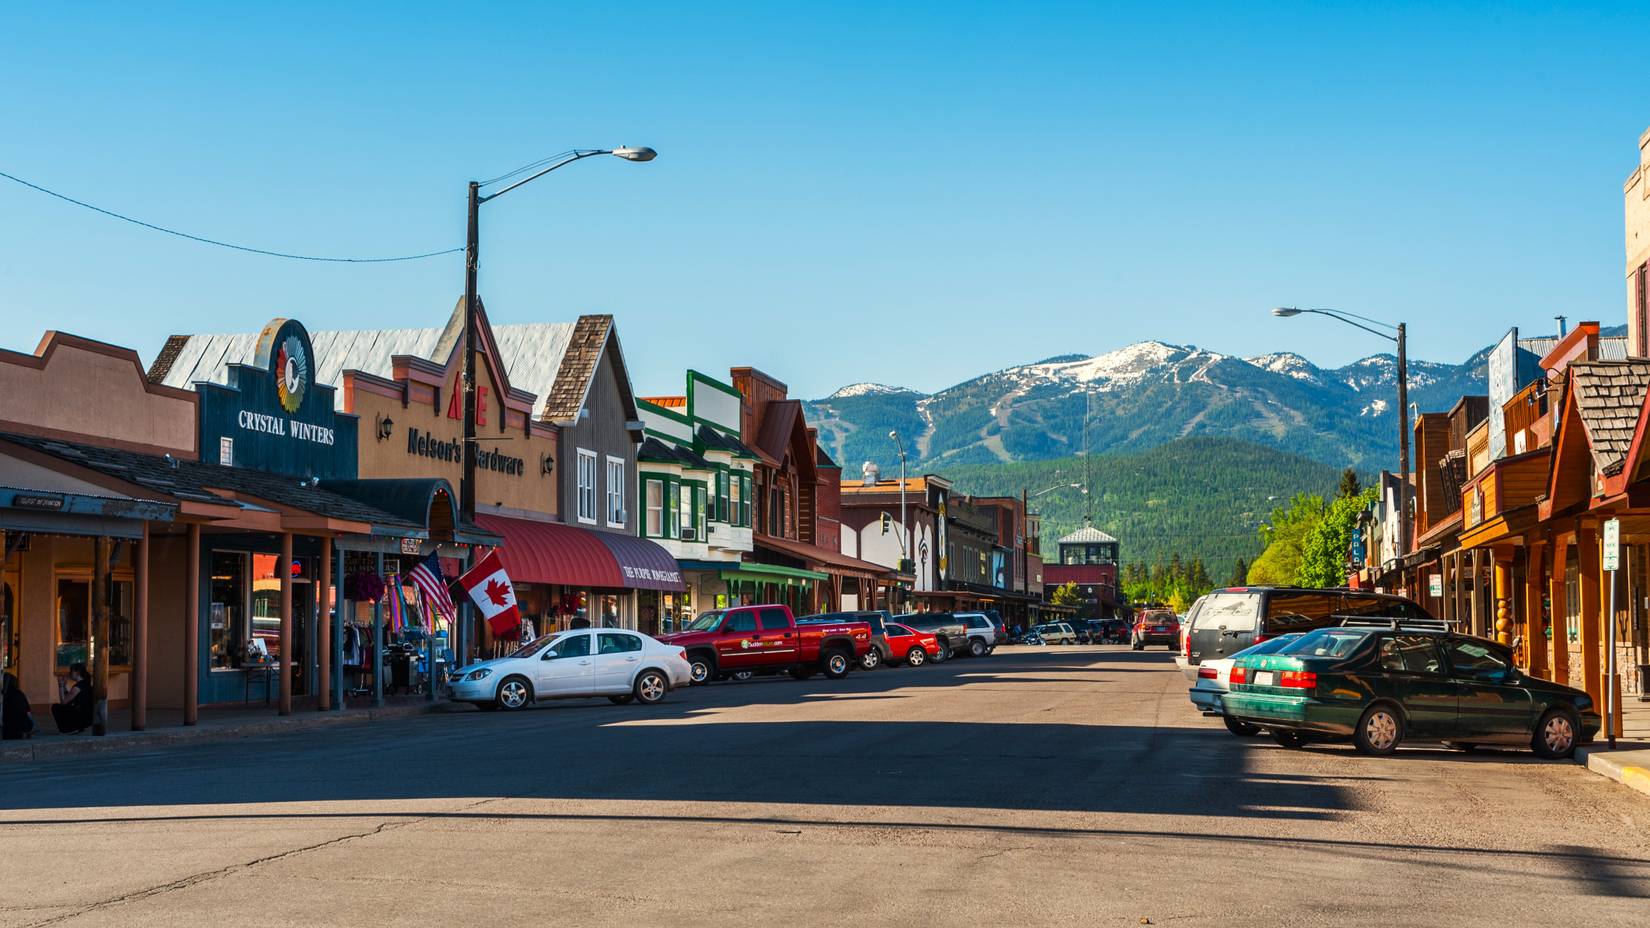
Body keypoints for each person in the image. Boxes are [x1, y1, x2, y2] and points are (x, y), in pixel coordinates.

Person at [51, 662, 93, 734]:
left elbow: (63, 702)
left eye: (71, 671)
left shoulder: (78, 687)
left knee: (55, 707)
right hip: (87, 717)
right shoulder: (84, 684)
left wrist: (60, 685)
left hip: (82, 717)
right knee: (67, 707)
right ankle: (76, 727)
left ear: (77, 672)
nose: (70, 673)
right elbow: (69, 697)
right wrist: (64, 685)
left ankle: (68, 729)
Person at [1, 671, 33, 740]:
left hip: (6, 731)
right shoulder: (20, 694)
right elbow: (28, 713)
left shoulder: (3, 696)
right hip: (19, 730)